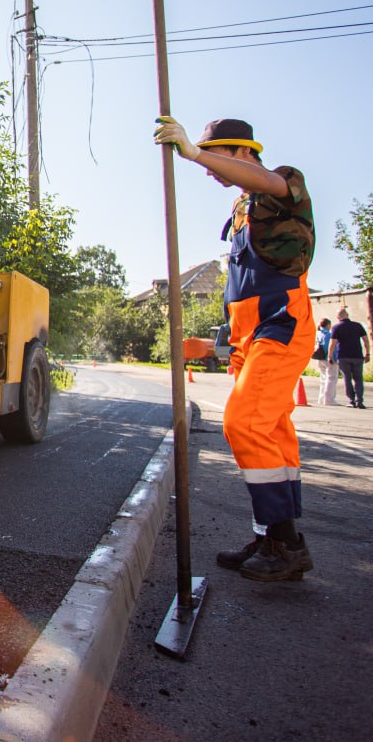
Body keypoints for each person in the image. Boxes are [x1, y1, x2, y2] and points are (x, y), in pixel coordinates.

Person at [155, 116, 316, 582]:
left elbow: (267, 181)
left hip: (280, 326)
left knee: (244, 423)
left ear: (244, 151)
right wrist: (219, 342)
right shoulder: (243, 206)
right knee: (271, 432)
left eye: (216, 156)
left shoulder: (281, 182)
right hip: (249, 336)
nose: (208, 169)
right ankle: (278, 538)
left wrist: (191, 150)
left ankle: (283, 543)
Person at [329, 308, 370, 408]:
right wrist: (367, 353)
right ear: (347, 315)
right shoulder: (357, 325)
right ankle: (360, 400)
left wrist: (330, 356)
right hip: (357, 356)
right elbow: (366, 340)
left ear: (338, 317)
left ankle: (352, 401)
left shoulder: (336, 327)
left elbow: (332, 343)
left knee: (347, 379)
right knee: (359, 379)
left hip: (343, 356)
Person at [314, 318, 338, 406]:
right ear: (328, 325)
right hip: (328, 358)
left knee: (323, 379)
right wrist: (333, 358)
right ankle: (329, 399)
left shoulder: (317, 333)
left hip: (319, 358)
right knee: (331, 379)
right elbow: (331, 346)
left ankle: (321, 398)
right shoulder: (328, 334)